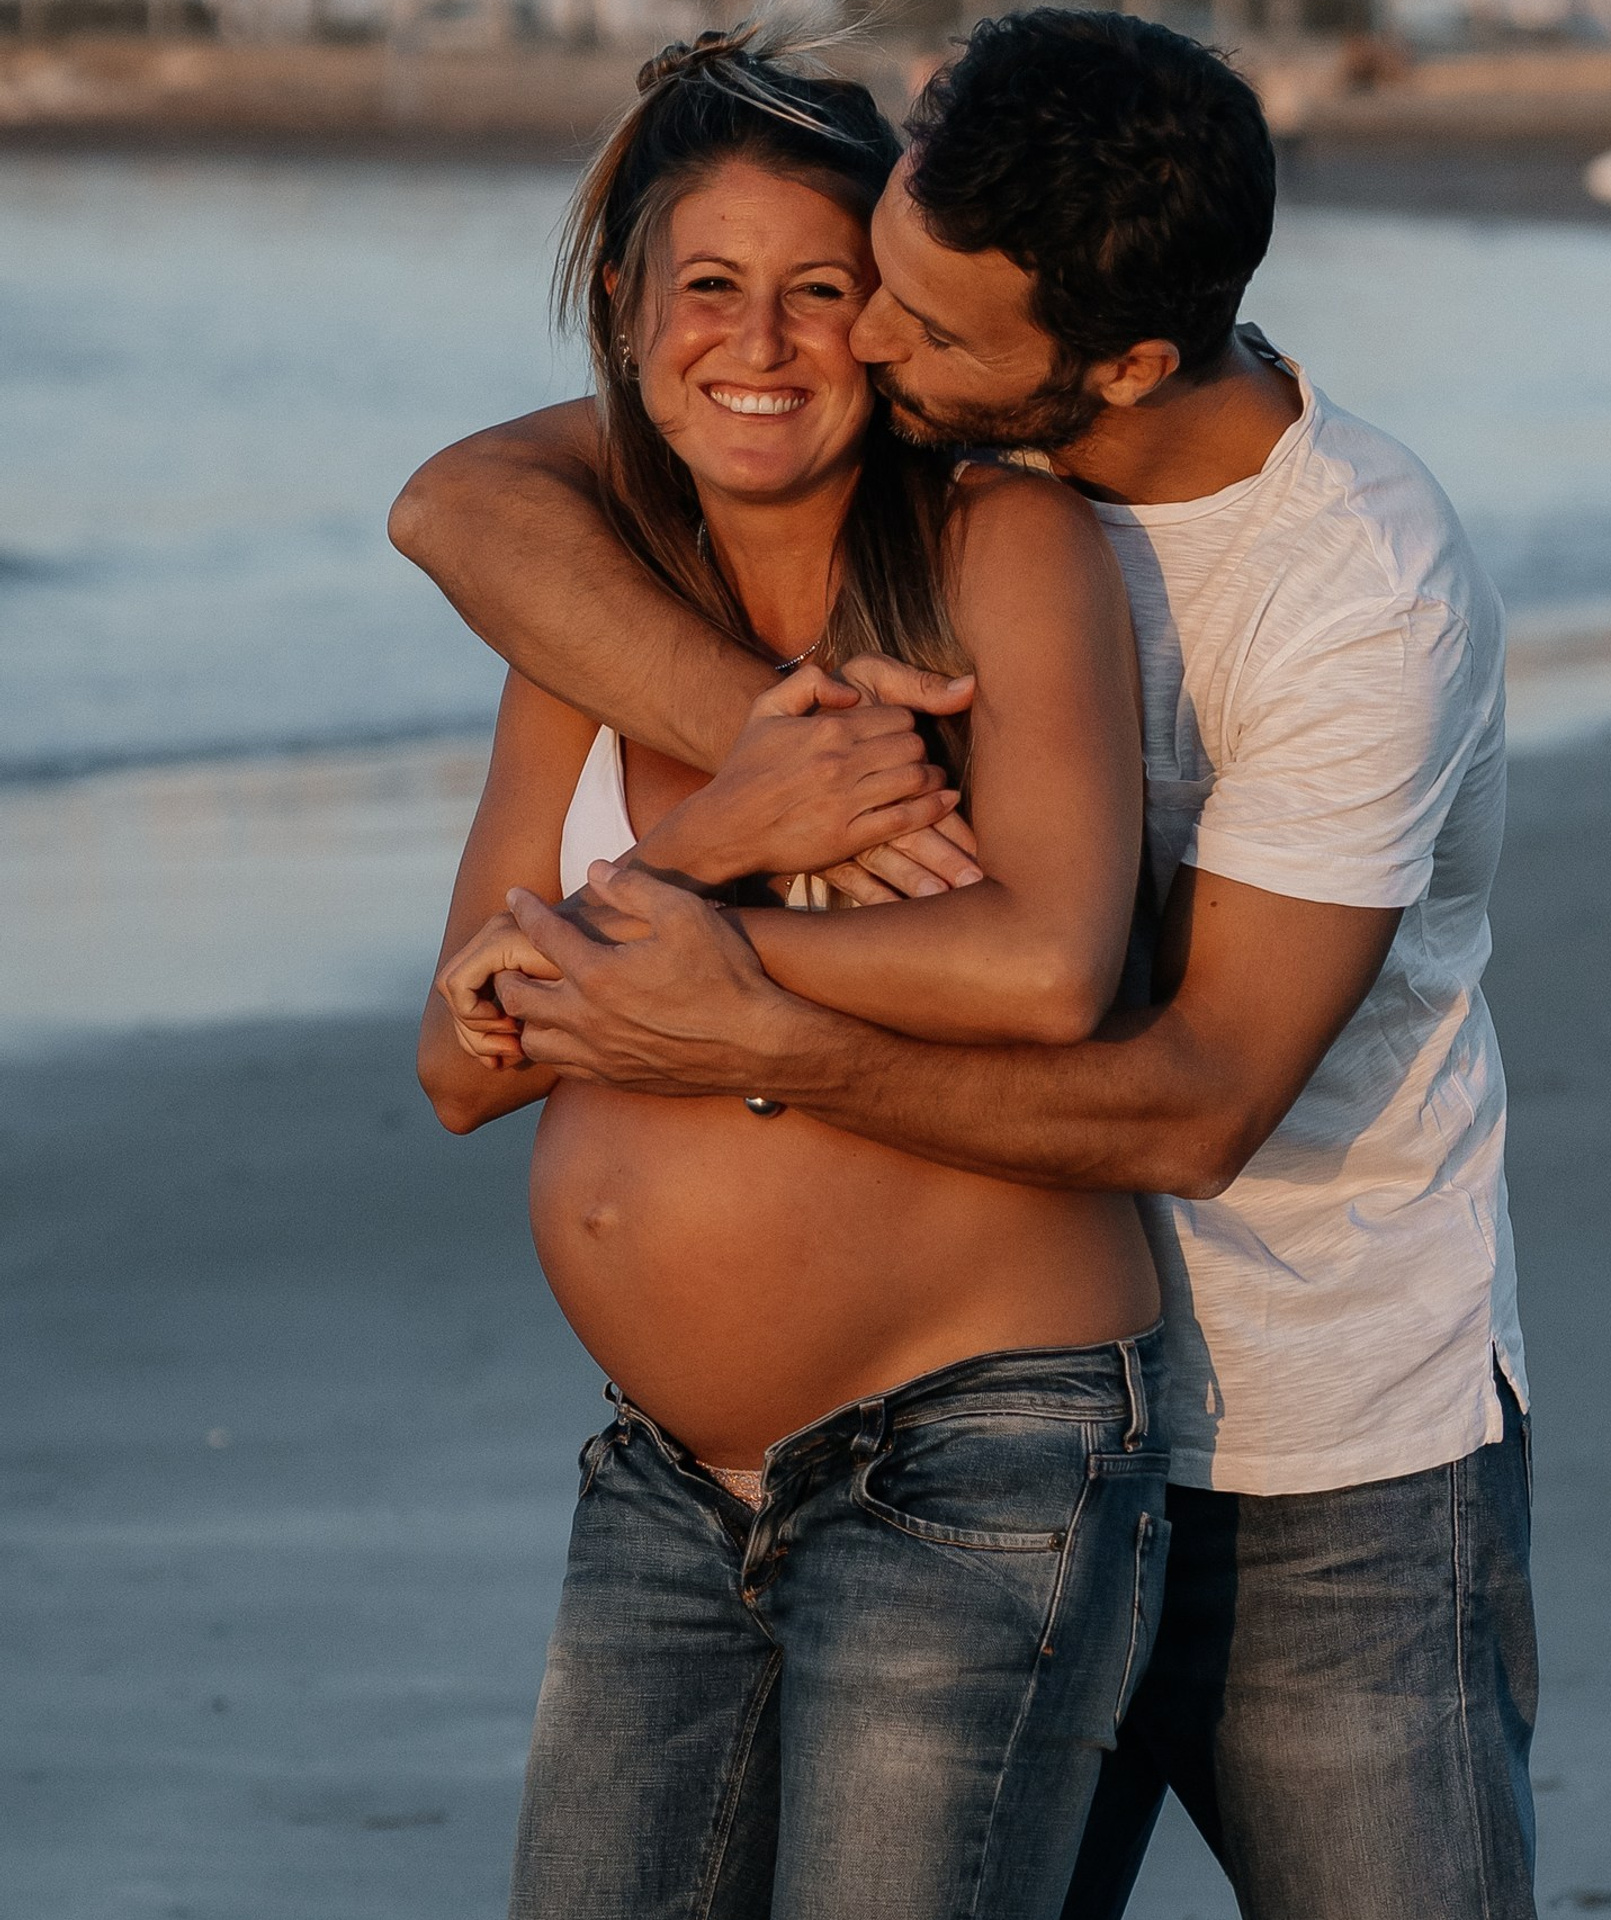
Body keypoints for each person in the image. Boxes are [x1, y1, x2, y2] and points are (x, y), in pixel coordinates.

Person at [394, 13, 1539, 1920]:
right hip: (776, 1451)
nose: (854, 341)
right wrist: (764, 777)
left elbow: (1186, 1097)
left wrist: (731, 1006)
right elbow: (455, 505)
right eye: (874, 277)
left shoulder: (1347, 599)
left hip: (1301, 1436)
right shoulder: (870, 448)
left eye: (900, 315)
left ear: (1119, 365)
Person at [410, 28, 1170, 1918]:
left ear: (885, 321)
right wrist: (713, 839)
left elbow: (1048, 965)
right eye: (711, 288)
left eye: (820, 292)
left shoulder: (1001, 545)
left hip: (968, 1455)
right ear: (626, 305)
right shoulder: (583, 612)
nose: (758, 342)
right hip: (666, 1485)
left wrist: (696, 962)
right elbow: (462, 1058)